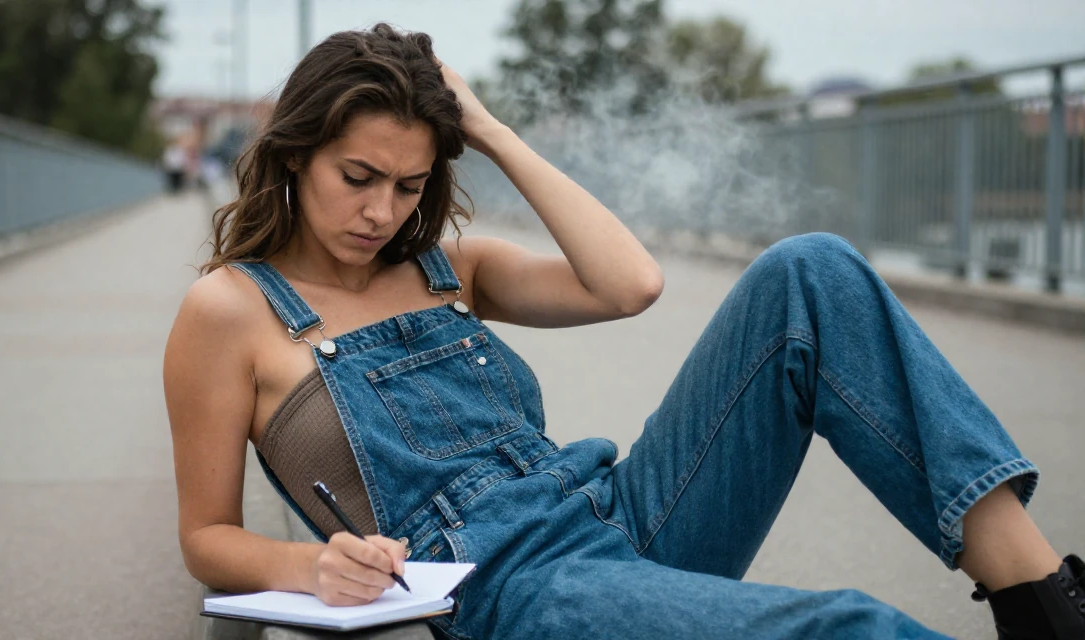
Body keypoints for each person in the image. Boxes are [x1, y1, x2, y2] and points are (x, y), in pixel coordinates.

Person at [162, 24, 1083, 640]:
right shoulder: (232, 311)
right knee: (846, 626)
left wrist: (490, 130)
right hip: (510, 586)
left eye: (407, 186)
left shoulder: (452, 267)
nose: (380, 211)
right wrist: (312, 565)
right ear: (295, 152)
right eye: (357, 175)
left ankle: (1042, 601)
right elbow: (207, 533)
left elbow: (629, 283)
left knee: (810, 271)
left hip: (623, 513)